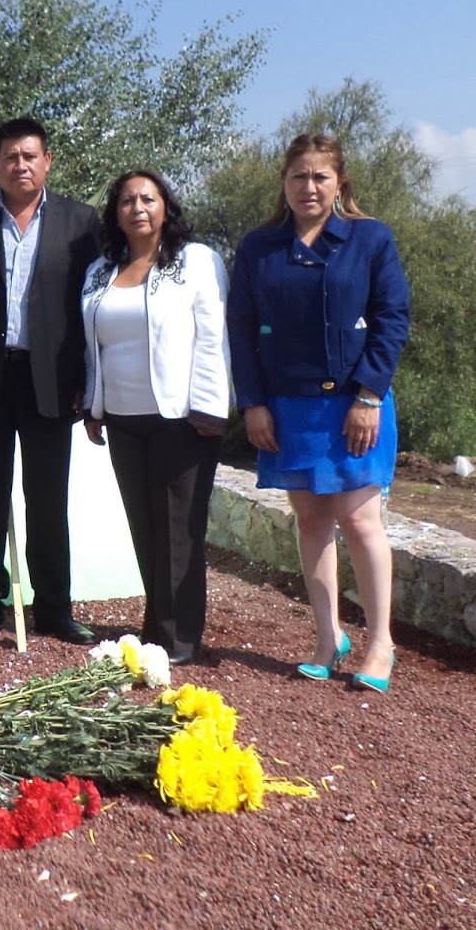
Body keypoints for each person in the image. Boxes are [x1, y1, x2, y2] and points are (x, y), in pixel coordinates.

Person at [227, 132, 410, 693]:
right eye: (298, 176)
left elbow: (392, 320)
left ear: (339, 183)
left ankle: (380, 643)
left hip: (357, 404)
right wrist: (253, 404)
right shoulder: (259, 247)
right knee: (310, 521)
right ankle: (328, 638)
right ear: (284, 183)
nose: (309, 186)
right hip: (288, 407)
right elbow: (241, 331)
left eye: (320, 176)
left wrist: (369, 397)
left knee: (360, 520)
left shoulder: (370, 239)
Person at [0, 117, 102, 648]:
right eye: (10, 156)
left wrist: (86, 379)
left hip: (51, 379)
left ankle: (53, 606)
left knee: (48, 497)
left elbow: (89, 308)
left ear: (47, 161)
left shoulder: (81, 222)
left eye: (30, 156)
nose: (20, 165)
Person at [79, 170, 229, 665]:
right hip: (123, 417)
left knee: (178, 529)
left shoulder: (196, 262)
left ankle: (179, 638)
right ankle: (156, 625)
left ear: (166, 206)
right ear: (116, 213)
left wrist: (212, 407)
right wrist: (94, 405)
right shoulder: (100, 270)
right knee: (145, 527)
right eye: (127, 200)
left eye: (148, 198)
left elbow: (213, 337)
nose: (137, 208)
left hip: (182, 418)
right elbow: (94, 345)